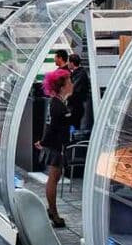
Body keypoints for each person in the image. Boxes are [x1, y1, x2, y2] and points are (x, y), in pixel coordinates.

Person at [34, 68, 73, 228]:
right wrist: (43, 142)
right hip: (55, 146)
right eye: (69, 81)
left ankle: (53, 210)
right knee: (53, 177)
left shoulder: (58, 102)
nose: (72, 84)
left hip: (55, 144)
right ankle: (54, 213)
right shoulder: (57, 105)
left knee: (55, 177)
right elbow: (52, 127)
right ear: (62, 86)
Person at [66, 53, 92, 131]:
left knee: (75, 124)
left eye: (68, 62)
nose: (67, 64)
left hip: (77, 105)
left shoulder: (80, 74)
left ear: (72, 63)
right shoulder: (76, 73)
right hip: (75, 104)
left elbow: (73, 88)